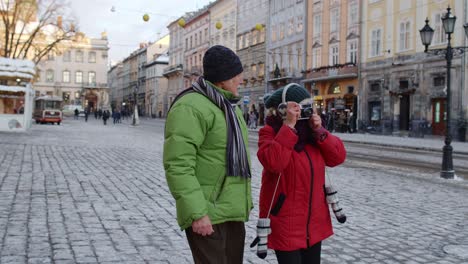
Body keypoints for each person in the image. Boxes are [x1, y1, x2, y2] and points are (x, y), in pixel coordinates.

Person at [163, 45, 252, 264]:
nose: (241, 79)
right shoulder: (190, 106)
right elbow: (178, 164)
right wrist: (197, 213)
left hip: (231, 211)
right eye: (236, 74)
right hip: (207, 212)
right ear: (222, 78)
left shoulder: (229, 107)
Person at [256, 84, 346, 264]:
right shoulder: (270, 133)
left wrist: (320, 131)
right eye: (299, 108)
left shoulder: (313, 135)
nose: (304, 113)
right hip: (286, 222)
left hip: (314, 222)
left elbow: (337, 157)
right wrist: (289, 127)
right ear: (283, 110)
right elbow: (274, 163)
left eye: (307, 107)